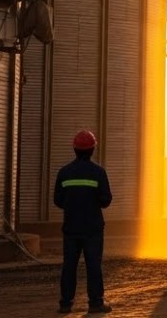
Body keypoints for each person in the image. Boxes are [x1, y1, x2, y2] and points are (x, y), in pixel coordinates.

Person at [54, 130, 113, 315]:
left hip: (71, 227)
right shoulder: (98, 173)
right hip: (92, 228)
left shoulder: (64, 172)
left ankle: (65, 304)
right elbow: (106, 200)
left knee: (69, 266)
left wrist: (73, 205)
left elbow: (58, 200)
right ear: (92, 150)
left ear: (75, 149)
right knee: (93, 265)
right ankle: (95, 303)